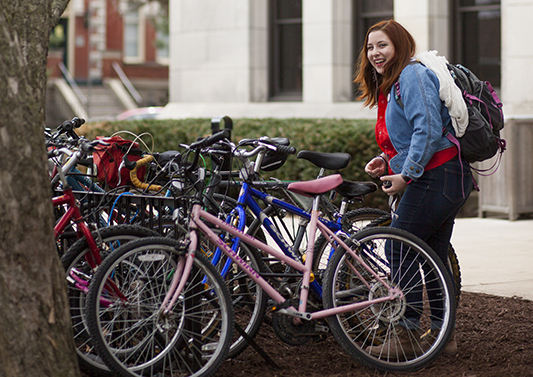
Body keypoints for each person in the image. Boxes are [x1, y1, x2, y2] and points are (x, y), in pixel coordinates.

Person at [354, 19, 473, 357]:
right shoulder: (392, 83)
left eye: (383, 45)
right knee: (431, 256)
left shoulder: (412, 74)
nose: (375, 53)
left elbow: (429, 129)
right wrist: (386, 159)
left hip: (439, 176)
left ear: (400, 46)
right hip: (442, 176)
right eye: (371, 46)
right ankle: (442, 336)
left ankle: (405, 333)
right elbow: (411, 135)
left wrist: (406, 174)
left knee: (398, 246)